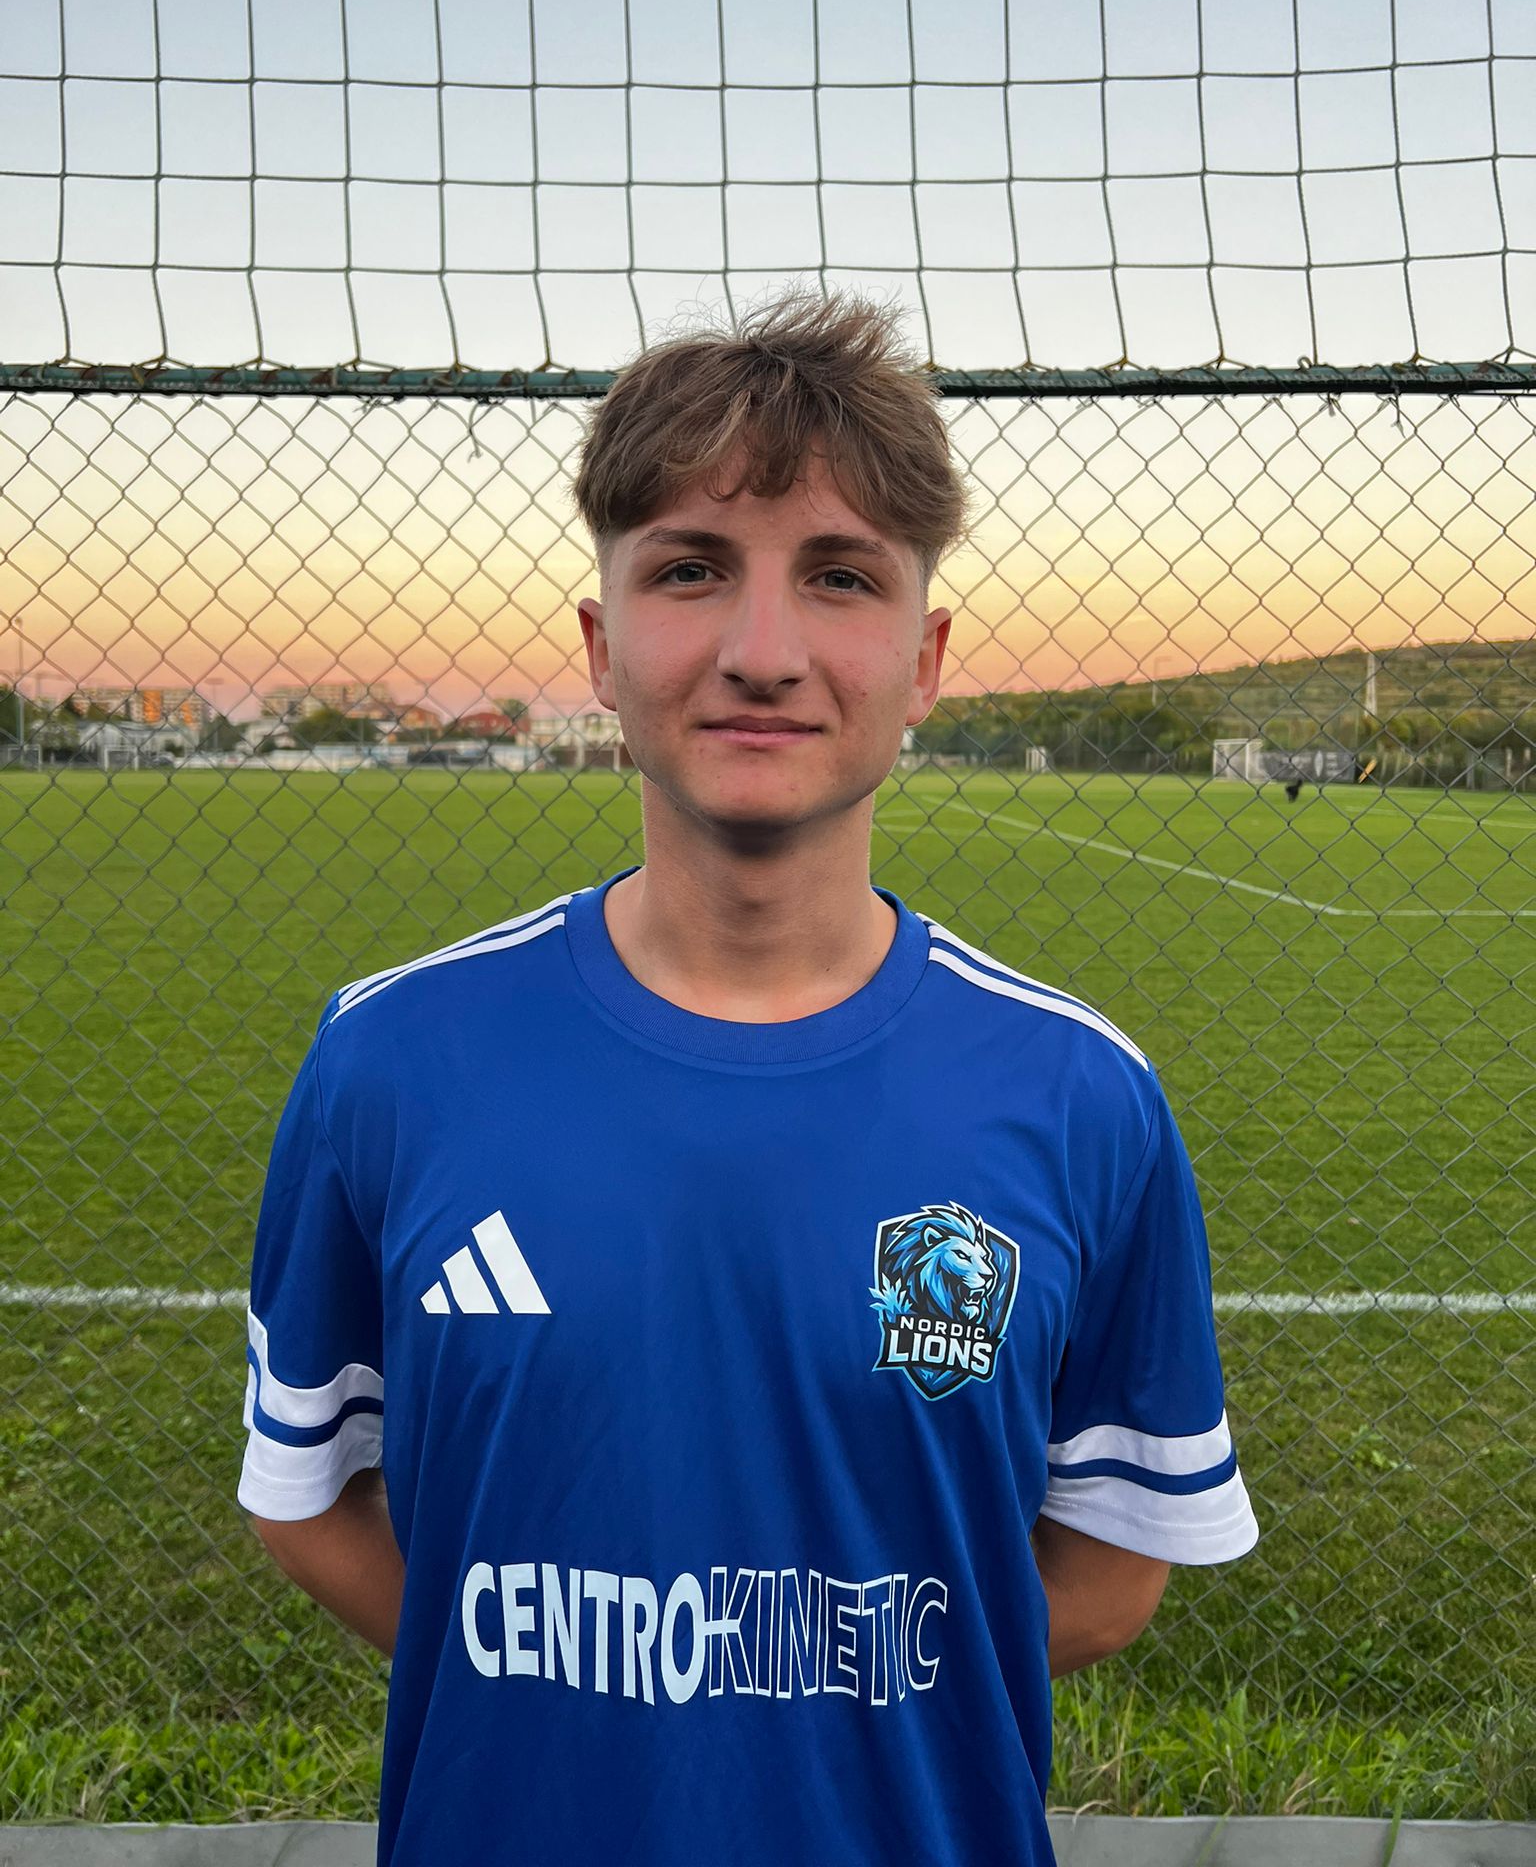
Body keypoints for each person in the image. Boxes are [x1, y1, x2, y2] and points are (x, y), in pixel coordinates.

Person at [238, 286, 1260, 1867]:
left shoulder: (1080, 1097)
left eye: (839, 576)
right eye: (690, 569)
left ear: (923, 660)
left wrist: (786, 1696)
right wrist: (582, 1688)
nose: (762, 653)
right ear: (602, 647)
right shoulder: (390, 1057)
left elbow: (1114, 1575)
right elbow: (305, 1500)